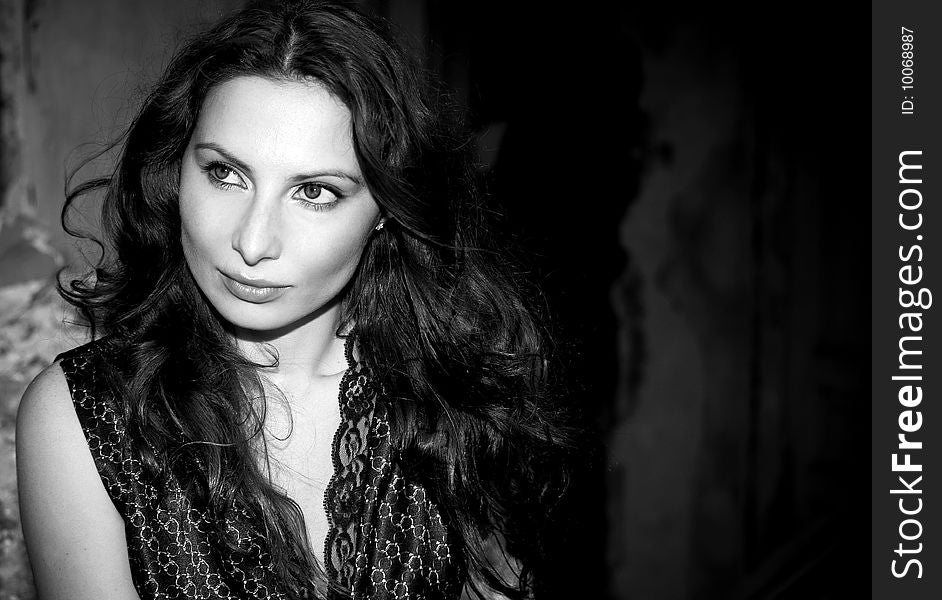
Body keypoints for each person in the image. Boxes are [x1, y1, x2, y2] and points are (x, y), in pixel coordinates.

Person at [15, 1, 575, 599]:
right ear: (175, 169)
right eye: (225, 174)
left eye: (313, 191)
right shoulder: (82, 416)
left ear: (388, 207)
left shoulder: (462, 385)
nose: (251, 243)